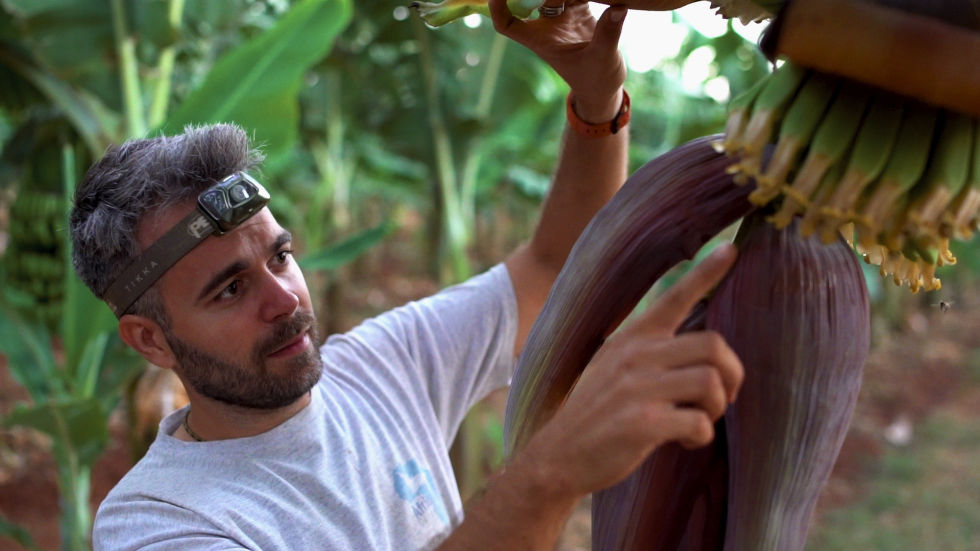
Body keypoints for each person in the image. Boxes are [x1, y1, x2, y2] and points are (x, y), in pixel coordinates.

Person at [71, 0, 743, 549]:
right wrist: (552, 471)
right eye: (229, 288)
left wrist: (598, 100)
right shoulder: (160, 522)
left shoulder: (381, 368)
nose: (283, 298)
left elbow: (554, 267)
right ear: (150, 340)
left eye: (280, 255)